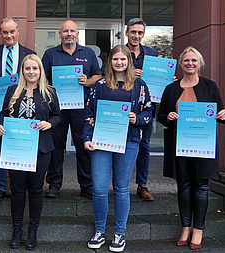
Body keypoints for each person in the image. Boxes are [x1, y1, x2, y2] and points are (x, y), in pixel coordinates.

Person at [158, 46, 225, 250]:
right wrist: (168, 117)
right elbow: (161, 115)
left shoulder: (209, 86)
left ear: (200, 63)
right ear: (181, 63)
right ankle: (185, 227)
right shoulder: (171, 89)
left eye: (194, 60)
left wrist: (224, 113)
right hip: (180, 146)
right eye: (186, 60)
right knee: (184, 187)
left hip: (203, 145)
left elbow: (221, 111)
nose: (190, 64)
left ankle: (198, 228)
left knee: (201, 187)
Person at [83, 45, 152, 252]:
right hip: (101, 142)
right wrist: (87, 137)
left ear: (129, 61)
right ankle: (99, 231)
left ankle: (120, 233)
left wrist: (136, 118)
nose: (119, 63)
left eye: (123, 59)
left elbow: (149, 111)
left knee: (122, 189)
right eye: (115, 59)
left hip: (129, 141)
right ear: (109, 62)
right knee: (100, 189)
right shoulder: (101, 85)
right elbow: (89, 112)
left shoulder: (139, 85)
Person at [0, 54, 61, 250]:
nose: (31, 72)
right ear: (22, 70)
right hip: (16, 148)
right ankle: (17, 230)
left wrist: (49, 123)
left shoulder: (49, 92)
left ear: (40, 70)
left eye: (35, 68)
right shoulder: (12, 90)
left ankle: (33, 231)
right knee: (16, 191)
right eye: (27, 68)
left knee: (35, 190)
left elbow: (58, 116)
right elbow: (4, 114)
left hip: (41, 149)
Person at [42, 20, 102, 199]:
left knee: (83, 146)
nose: (69, 34)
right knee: (56, 147)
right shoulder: (50, 54)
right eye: (65, 31)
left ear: (77, 34)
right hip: (57, 108)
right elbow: (42, 80)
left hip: (81, 107)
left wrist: (88, 81)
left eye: (72, 31)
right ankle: (54, 184)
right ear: (60, 34)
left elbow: (98, 76)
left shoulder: (88, 53)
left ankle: (86, 186)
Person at [0, 17, 35, 202]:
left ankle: (20, 187)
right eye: (5, 32)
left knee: (21, 148)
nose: (9, 35)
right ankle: (1, 187)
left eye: (12, 31)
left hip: (23, 111)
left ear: (18, 31)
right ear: (0, 33)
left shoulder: (30, 55)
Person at [125, 18, 158, 201]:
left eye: (140, 33)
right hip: (124, 107)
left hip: (145, 107)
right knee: (121, 145)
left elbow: (158, 78)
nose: (136, 36)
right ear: (127, 33)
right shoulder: (120, 52)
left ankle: (142, 185)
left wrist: (168, 81)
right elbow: (109, 74)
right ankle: (119, 184)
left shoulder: (152, 53)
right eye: (133, 32)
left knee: (144, 146)